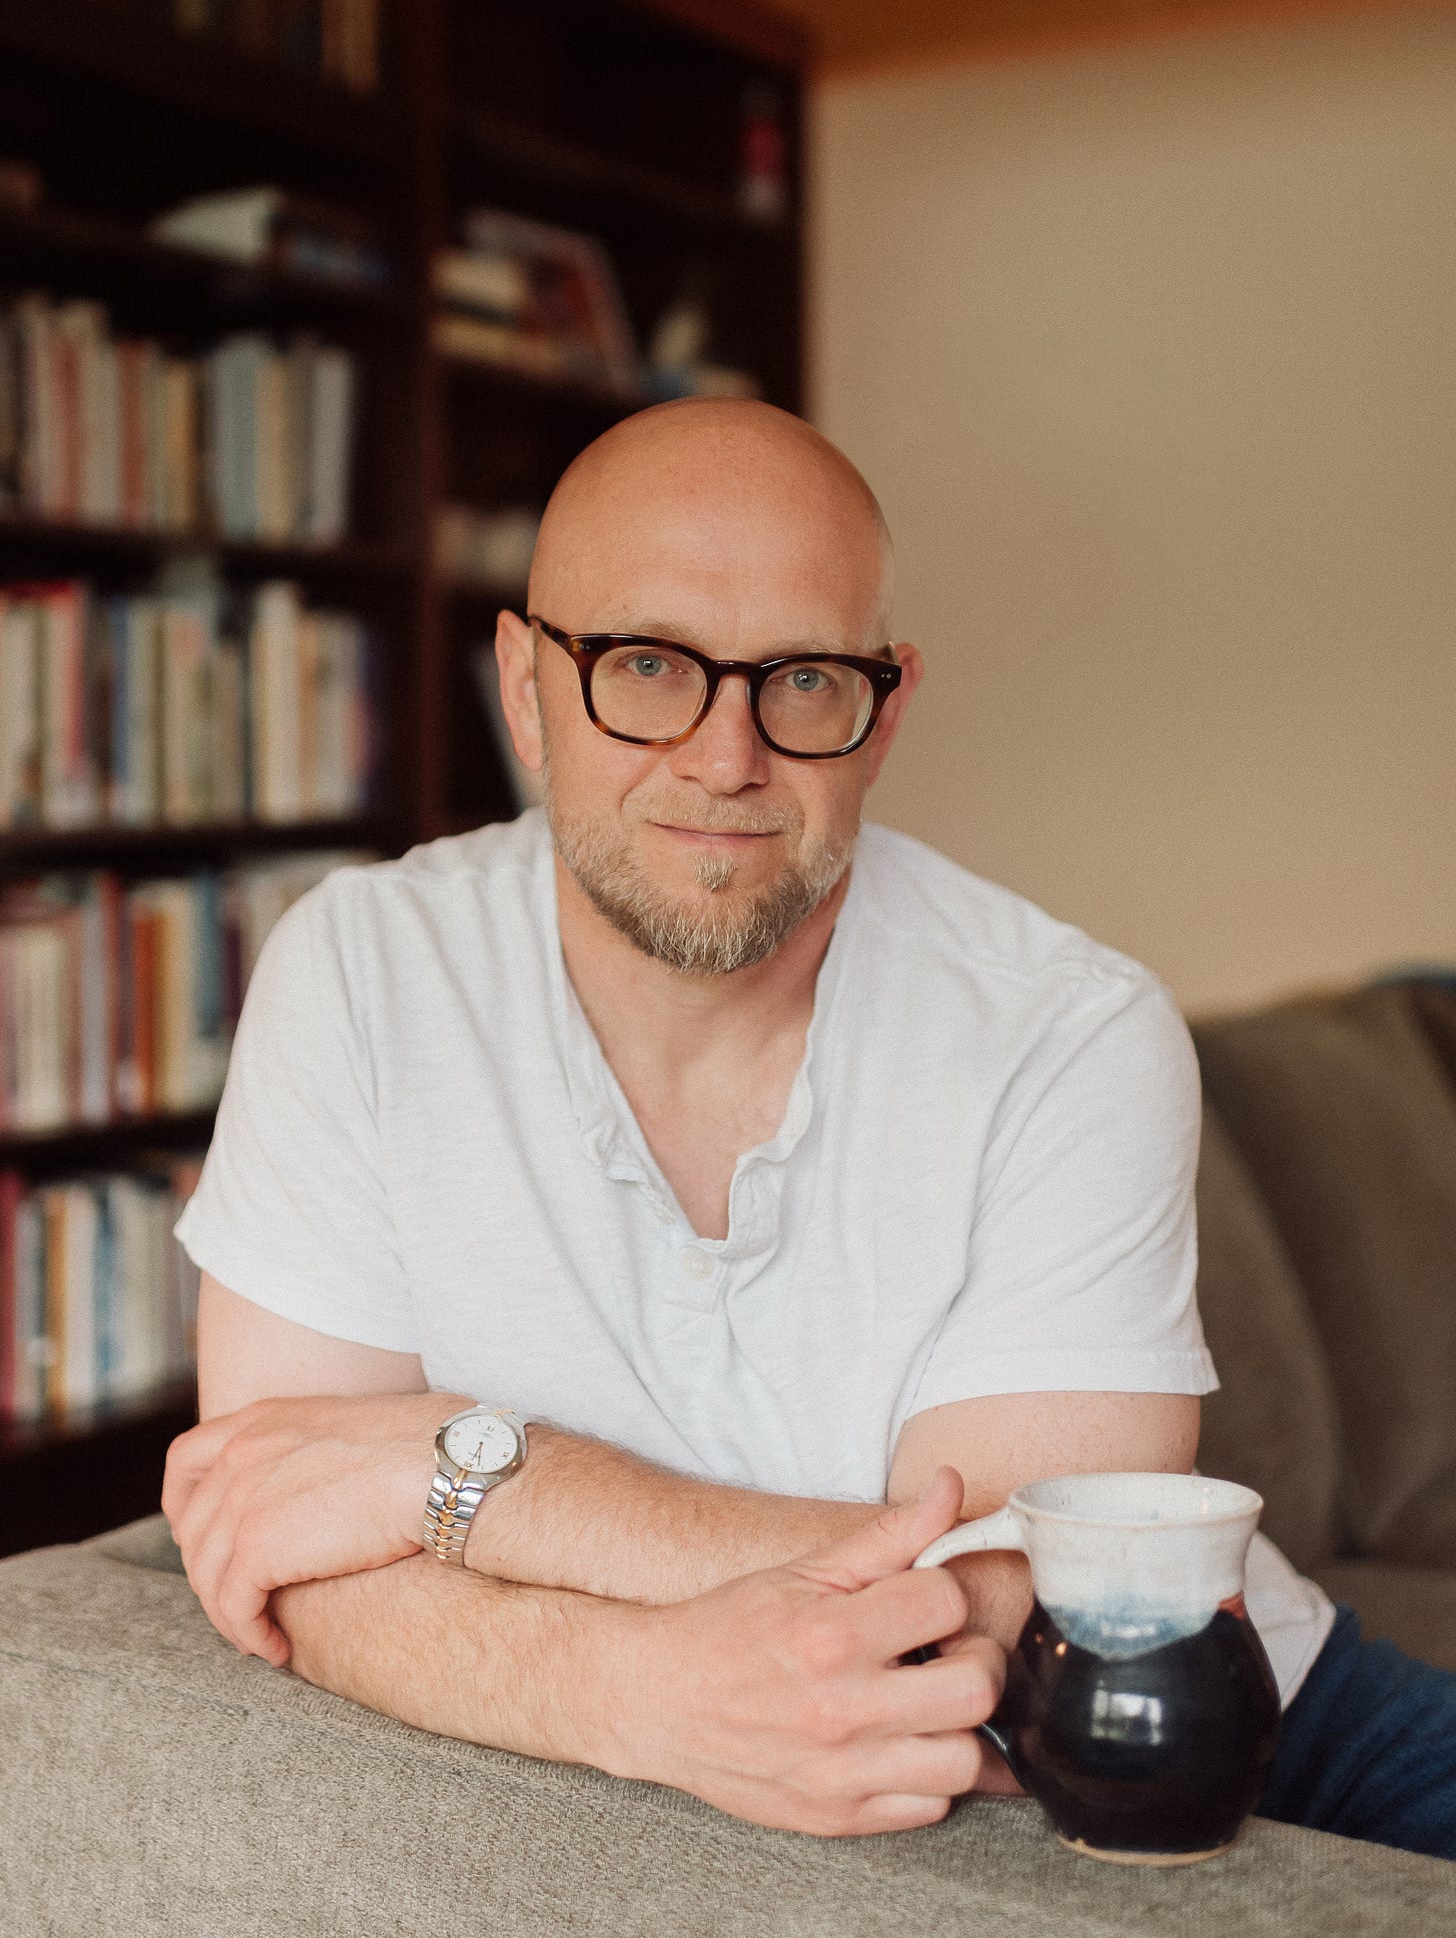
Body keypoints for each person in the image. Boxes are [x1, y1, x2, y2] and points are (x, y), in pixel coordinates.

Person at [164, 399, 1454, 1855]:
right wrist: (632, 1693)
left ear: (884, 709)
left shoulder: (1074, 1030)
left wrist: (453, 1477)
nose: (725, 757)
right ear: (524, 687)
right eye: (644, 667)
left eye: (801, 680)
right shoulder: (357, 972)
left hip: (1258, 1721)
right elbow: (285, 1552)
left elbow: (1044, 1621)